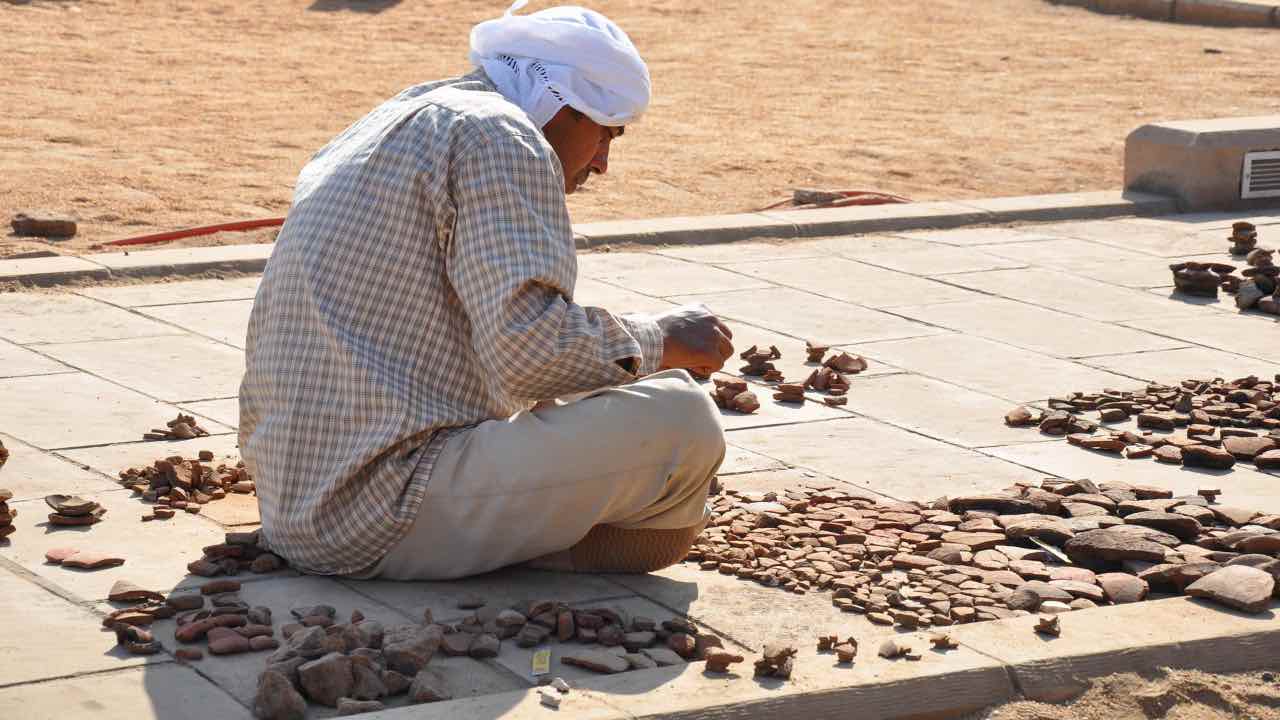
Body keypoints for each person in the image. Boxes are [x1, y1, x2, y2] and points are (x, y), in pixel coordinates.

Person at [239, 2, 734, 581]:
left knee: (601, 384)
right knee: (684, 420)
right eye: (606, 132)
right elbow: (531, 356)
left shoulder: (411, 111)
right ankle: (543, 553)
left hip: (294, 496)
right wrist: (660, 339)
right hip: (376, 511)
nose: (602, 163)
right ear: (560, 103)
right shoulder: (503, 137)